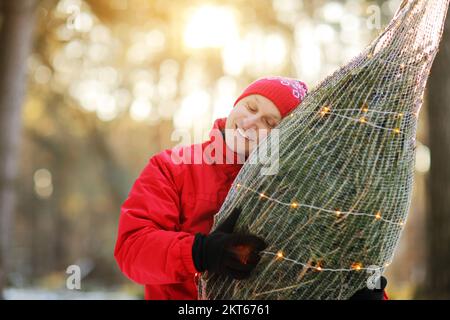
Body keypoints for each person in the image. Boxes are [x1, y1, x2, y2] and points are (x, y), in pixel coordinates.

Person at [114, 76, 388, 300]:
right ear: (237, 103)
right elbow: (131, 249)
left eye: (270, 123)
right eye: (251, 107)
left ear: (288, 138)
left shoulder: (299, 191)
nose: (249, 123)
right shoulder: (173, 167)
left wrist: (361, 290)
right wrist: (201, 252)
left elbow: (330, 261)